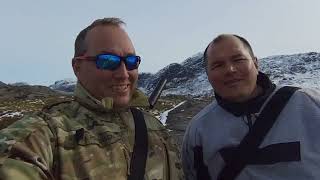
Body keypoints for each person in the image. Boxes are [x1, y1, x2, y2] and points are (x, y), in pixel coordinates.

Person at [0, 17, 184, 180]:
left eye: (131, 61)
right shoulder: (42, 135)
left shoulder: (157, 129)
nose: (123, 73)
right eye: (108, 61)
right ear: (77, 66)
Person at [182, 34, 320, 180]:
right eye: (218, 65)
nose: (230, 69)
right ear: (208, 75)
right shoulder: (198, 131)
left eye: (238, 59)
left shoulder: (311, 104)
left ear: (255, 63)